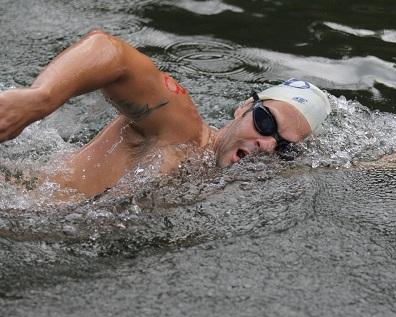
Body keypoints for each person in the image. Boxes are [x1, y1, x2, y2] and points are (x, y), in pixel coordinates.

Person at [0, 31, 330, 197]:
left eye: (285, 148)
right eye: (265, 122)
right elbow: (109, 51)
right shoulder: (183, 129)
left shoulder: (235, 175)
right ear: (244, 107)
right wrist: (39, 100)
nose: (267, 145)